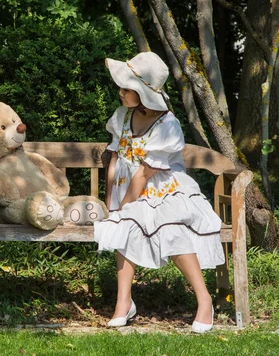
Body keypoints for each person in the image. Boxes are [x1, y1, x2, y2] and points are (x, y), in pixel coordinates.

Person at [94, 51, 225, 333]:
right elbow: (116, 159)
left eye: (127, 89)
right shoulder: (121, 117)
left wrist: (127, 204)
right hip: (129, 190)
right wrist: (111, 202)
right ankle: (124, 302)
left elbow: (145, 172)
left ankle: (204, 300)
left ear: (143, 94)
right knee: (124, 226)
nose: (120, 92)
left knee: (172, 229)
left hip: (163, 190)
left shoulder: (168, 125)